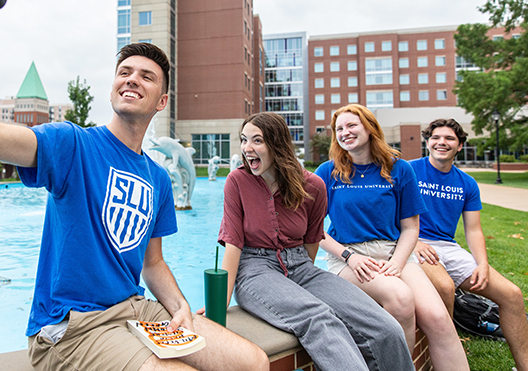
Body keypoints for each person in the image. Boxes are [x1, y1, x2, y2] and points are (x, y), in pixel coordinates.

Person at [0, 0, 268, 371]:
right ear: (112, 88)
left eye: (147, 76)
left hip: (136, 311)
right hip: (73, 329)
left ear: (162, 102)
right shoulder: (72, 145)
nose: (132, 79)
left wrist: (180, 307)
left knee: (253, 361)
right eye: (124, 72)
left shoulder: (158, 178)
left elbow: (151, 262)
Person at [214, 112, 413, 371]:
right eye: (244, 140)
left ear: (278, 144)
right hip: (255, 270)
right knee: (319, 319)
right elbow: (234, 244)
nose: (247, 149)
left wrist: (298, 283)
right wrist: (218, 306)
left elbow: (311, 243)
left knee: (384, 327)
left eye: (257, 141)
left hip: (301, 267)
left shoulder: (314, 185)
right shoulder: (237, 181)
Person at [316, 104, 469, 371]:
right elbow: (313, 230)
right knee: (400, 298)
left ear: (370, 128)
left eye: (352, 125)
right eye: (339, 128)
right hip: (350, 257)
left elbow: (410, 227)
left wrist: (397, 263)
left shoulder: (398, 168)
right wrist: (349, 258)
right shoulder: (328, 172)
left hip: (395, 253)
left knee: (438, 319)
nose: (345, 132)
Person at [410, 118, 528, 371]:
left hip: (447, 246)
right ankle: (447, 361)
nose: (442, 142)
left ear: (460, 146)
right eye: (436, 138)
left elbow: (473, 229)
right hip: (413, 243)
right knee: (444, 286)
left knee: (512, 295)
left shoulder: (467, 183)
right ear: (427, 142)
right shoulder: (408, 170)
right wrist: (414, 242)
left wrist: (483, 264)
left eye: (450, 138)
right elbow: (387, 213)